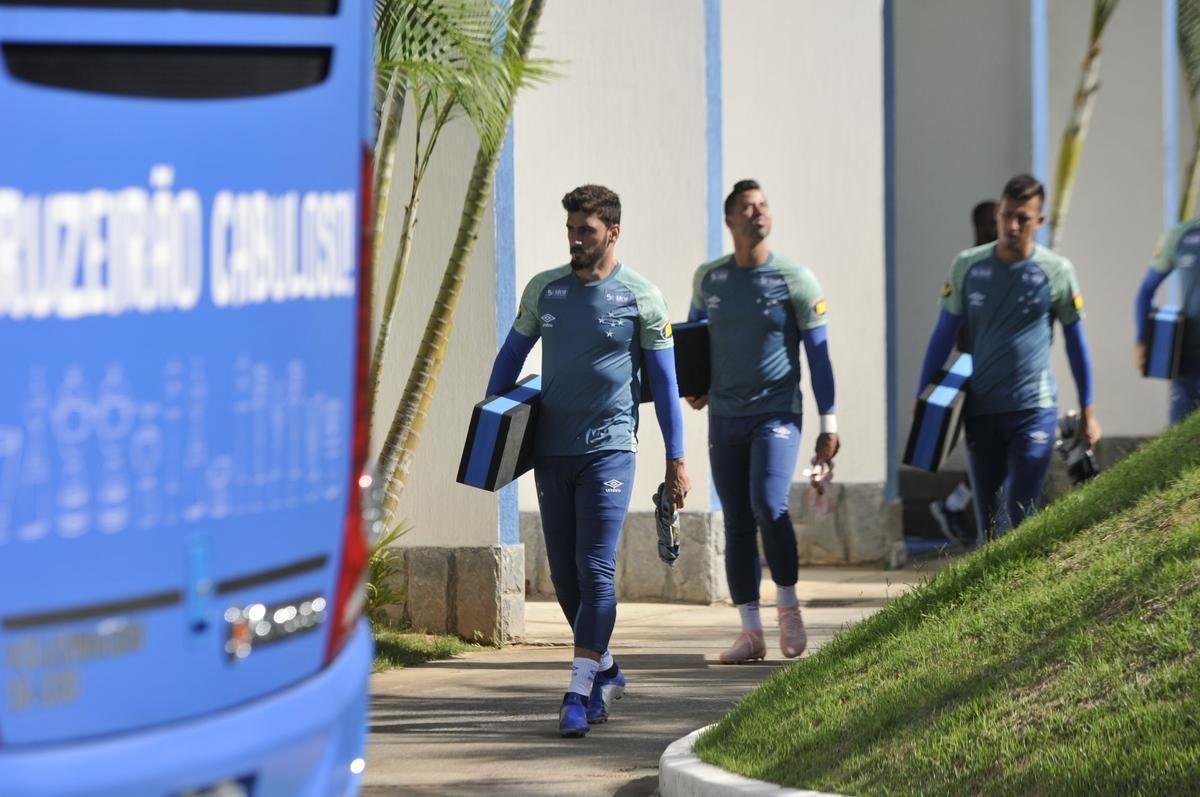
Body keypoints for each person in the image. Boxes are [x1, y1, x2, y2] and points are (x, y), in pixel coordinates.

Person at [484, 184, 690, 738]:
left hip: (611, 450)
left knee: (596, 568)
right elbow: (510, 357)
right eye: (571, 230)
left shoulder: (642, 297)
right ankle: (607, 670)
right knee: (566, 576)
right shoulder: (545, 291)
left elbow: (666, 386)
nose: (576, 240)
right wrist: (490, 425)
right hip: (552, 450)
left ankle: (576, 692)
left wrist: (676, 459)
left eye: (587, 231)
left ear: (613, 233)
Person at [685, 179, 838, 664]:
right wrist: (696, 383)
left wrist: (829, 424)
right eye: (747, 208)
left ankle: (788, 605)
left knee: (769, 505)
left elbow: (819, 356)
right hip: (726, 416)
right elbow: (693, 338)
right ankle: (750, 632)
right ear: (730, 220)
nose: (758, 213)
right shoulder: (710, 279)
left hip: (777, 413)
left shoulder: (795, 279)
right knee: (736, 521)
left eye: (763, 205)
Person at [916, 174, 1101, 541]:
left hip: (1034, 408)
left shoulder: (1056, 272)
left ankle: (1025, 588)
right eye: (1006, 215)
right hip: (981, 410)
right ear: (998, 214)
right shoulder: (967, 266)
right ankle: (992, 594)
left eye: (1023, 218)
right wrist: (925, 398)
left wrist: (1088, 412)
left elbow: (1076, 344)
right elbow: (942, 335)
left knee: (1019, 509)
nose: (1012, 226)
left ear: (1039, 222)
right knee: (989, 524)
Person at [928, 199, 997, 547]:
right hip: (975, 372)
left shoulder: (1007, 265)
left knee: (999, 455)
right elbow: (951, 330)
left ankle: (955, 504)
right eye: (989, 223)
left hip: (1005, 376)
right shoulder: (969, 268)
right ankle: (956, 507)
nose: (996, 228)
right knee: (985, 452)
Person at [1134, 218, 1200, 424]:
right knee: (1180, 447)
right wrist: (1143, 340)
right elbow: (1146, 291)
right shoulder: (1182, 235)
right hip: (1188, 363)